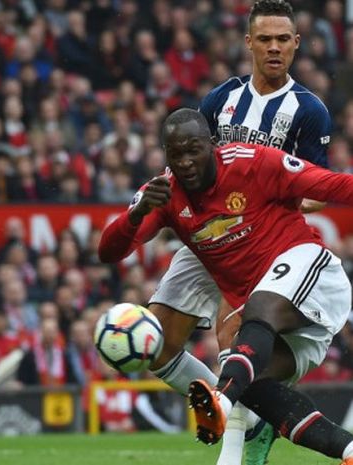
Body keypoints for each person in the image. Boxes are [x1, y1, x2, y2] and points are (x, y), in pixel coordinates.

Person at [99, 108, 353, 465]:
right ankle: (347, 450)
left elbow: (332, 185)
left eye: (194, 149)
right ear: (165, 155)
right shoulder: (163, 194)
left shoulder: (254, 163)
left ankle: (221, 400)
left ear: (212, 145)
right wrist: (134, 215)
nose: (185, 161)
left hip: (310, 273)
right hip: (269, 326)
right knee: (256, 391)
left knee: (257, 314)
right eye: (176, 153)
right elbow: (108, 251)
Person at [142, 2, 333, 464]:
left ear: (295, 44)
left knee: (236, 344)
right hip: (205, 233)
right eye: (264, 38)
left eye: (283, 39)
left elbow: (319, 192)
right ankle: (243, 407)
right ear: (249, 42)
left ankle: (235, 448)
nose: (274, 48)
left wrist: (263, 205)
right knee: (156, 344)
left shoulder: (309, 111)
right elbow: (188, 163)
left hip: (258, 240)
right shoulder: (219, 100)